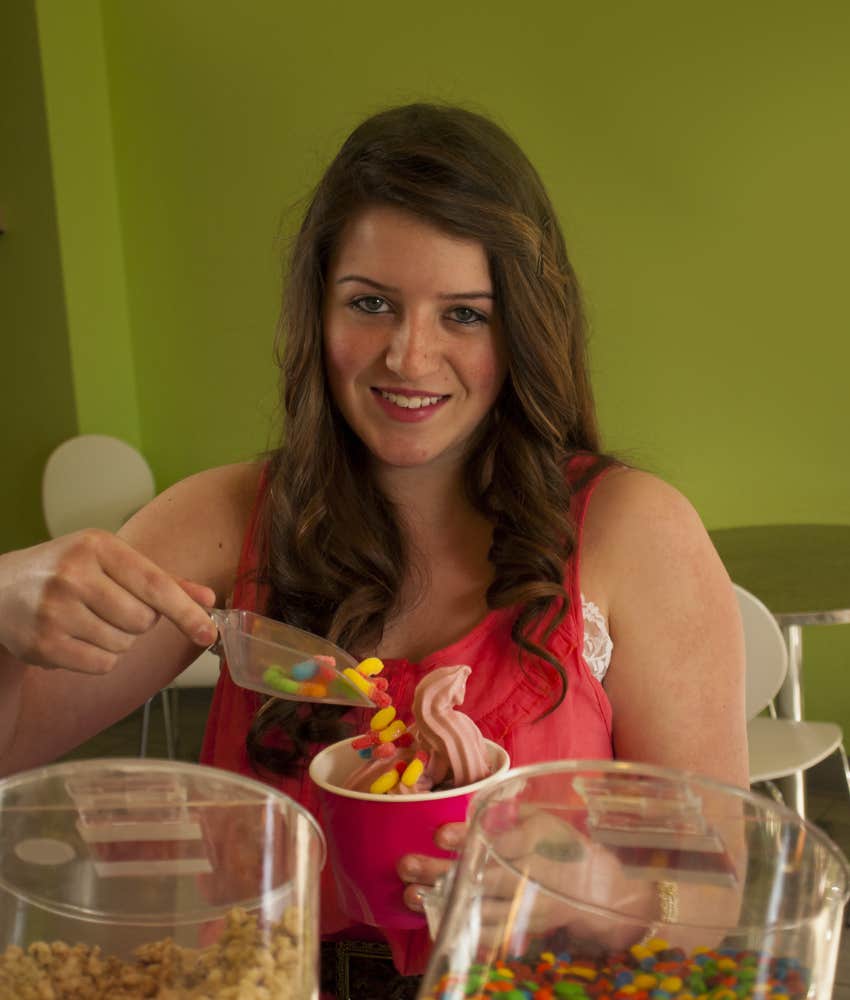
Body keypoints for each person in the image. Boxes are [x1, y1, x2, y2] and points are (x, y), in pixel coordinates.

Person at [0, 103, 747, 998]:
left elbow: (713, 888)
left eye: (464, 314)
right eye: (371, 303)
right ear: (317, 309)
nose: (409, 354)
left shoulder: (631, 531)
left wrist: (598, 892)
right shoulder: (225, 519)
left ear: (522, 332)